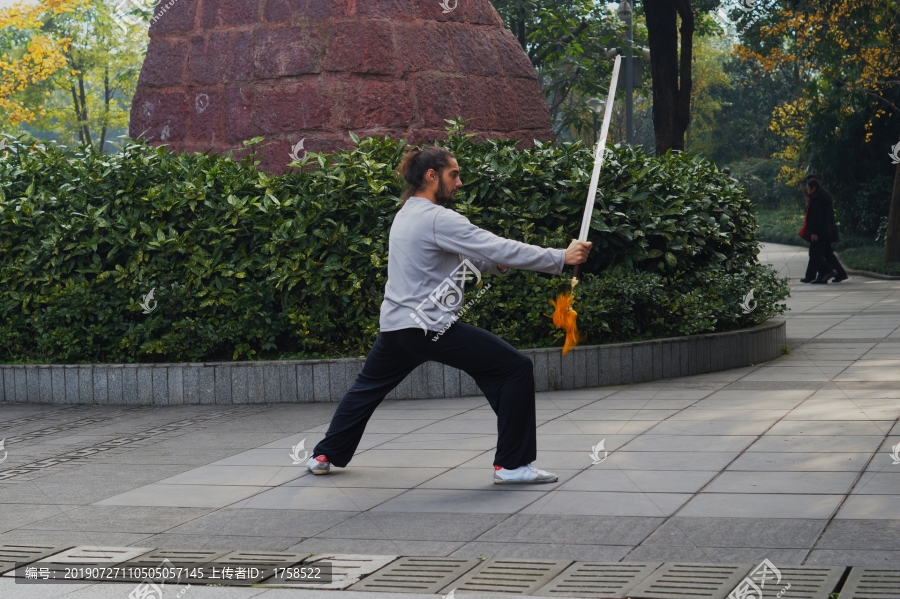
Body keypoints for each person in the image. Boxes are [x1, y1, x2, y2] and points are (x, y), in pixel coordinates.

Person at [306, 146, 593, 484]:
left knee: (367, 388)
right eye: (453, 174)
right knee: (515, 368)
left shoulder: (406, 215)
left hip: (398, 328)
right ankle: (513, 465)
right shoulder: (437, 218)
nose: (459, 182)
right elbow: (496, 245)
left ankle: (324, 454)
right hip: (428, 327)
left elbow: (467, 261)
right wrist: (560, 257)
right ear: (432, 176)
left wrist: (500, 265)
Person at [801, 174, 848, 284]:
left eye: (808, 187)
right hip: (825, 230)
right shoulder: (822, 196)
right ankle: (833, 274)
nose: (807, 190)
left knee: (815, 253)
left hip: (821, 231)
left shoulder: (818, 199)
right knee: (825, 253)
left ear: (816, 185)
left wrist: (813, 231)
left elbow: (816, 218)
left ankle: (828, 271)